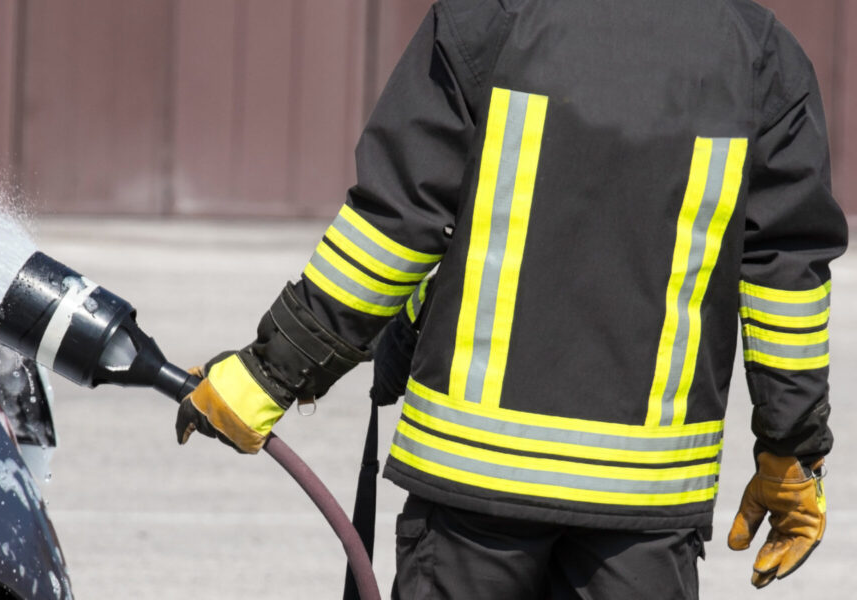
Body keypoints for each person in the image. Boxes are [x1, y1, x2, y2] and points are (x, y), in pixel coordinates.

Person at [174, 0, 847, 597]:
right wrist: (791, 453)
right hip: (644, 508)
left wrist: (268, 376)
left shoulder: (486, 20)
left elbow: (389, 234)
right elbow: (785, 285)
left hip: (475, 492)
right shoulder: (758, 54)